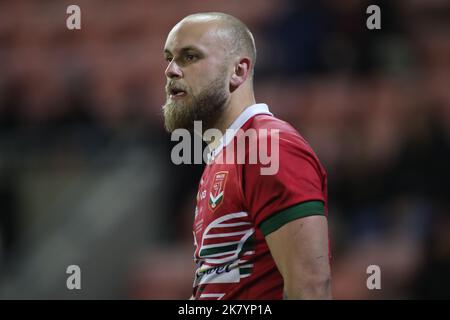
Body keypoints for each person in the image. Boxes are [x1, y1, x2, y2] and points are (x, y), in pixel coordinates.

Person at [162, 12, 331, 300]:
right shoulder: (225, 156)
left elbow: (312, 287)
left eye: (189, 57)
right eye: (169, 58)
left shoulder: (269, 148)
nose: (171, 71)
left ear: (239, 71)